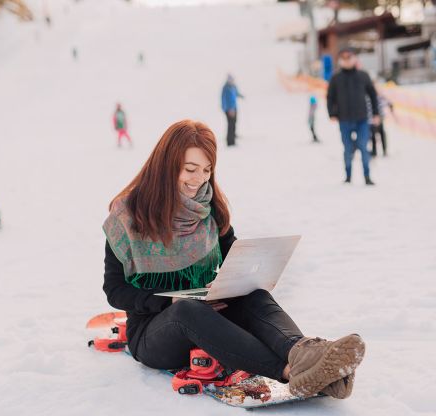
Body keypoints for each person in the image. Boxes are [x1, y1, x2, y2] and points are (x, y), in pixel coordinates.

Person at [102, 119, 366, 400]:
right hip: (155, 332)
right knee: (187, 310)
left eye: (206, 170)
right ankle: (290, 372)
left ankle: (302, 353)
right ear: (167, 164)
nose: (198, 179)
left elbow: (233, 256)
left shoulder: (208, 208)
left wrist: (240, 278)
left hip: (213, 313)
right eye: (190, 169)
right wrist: (169, 301)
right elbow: (115, 291)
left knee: (253, 294)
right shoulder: (129, 216)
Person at [327, 48, 379, 185]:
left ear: (354, 58)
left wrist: (376, 113)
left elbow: (373, 95)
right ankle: (348, 175)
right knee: (348, 148)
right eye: (343, 58)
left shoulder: (363, 75)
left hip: (362, 119)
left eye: (349, 57)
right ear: (340, 61)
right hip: (344, 119)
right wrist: (331, 113)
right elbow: (330, 97)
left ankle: (367, 176)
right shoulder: (335, 78)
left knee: (363, 146)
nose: (347, 60)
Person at [367, 93, 393, 157]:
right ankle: (375, 152)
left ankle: (383, 151)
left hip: (378, 120)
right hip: (372, 121)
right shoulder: (368, 97)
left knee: (381, 135)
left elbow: (386, 102)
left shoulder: (379, 96)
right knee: (374, 136)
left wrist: (390, 105)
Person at [221, 74, 244, 147]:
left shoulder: (233, 87)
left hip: (234, 108)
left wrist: (241, 96)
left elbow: (236, 93)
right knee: (230, 125)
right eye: (230, 79)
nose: (231, 81)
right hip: (229, 110)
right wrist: (228, 109)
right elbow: (224, 100)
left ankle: (233, 139)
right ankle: (230, 142)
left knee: (234, 124)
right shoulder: (226, 88)